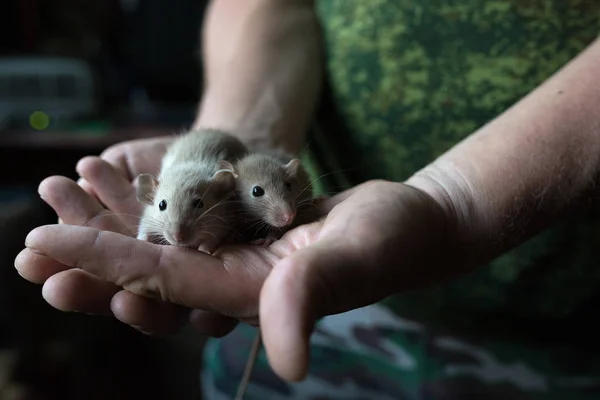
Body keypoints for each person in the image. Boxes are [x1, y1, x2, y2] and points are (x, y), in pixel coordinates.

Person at [14, 0, 600, 398]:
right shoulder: (200, 198)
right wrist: (244, 151)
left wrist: (452, 202)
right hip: (336, 311)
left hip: (570, 340)